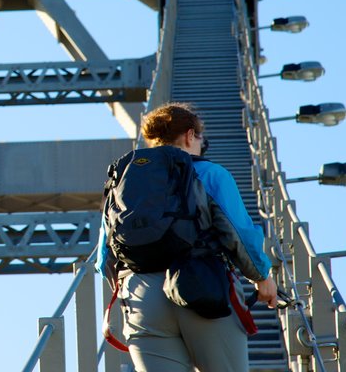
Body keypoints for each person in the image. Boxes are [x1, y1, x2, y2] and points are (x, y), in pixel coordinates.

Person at [98, 102, 278, 372]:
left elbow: (105, 258)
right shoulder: (210, 173)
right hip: (203, 288)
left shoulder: (123, 183)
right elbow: (238, 233)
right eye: (201, 138)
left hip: (140, 298)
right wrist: (262, 277)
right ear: (190, 135)